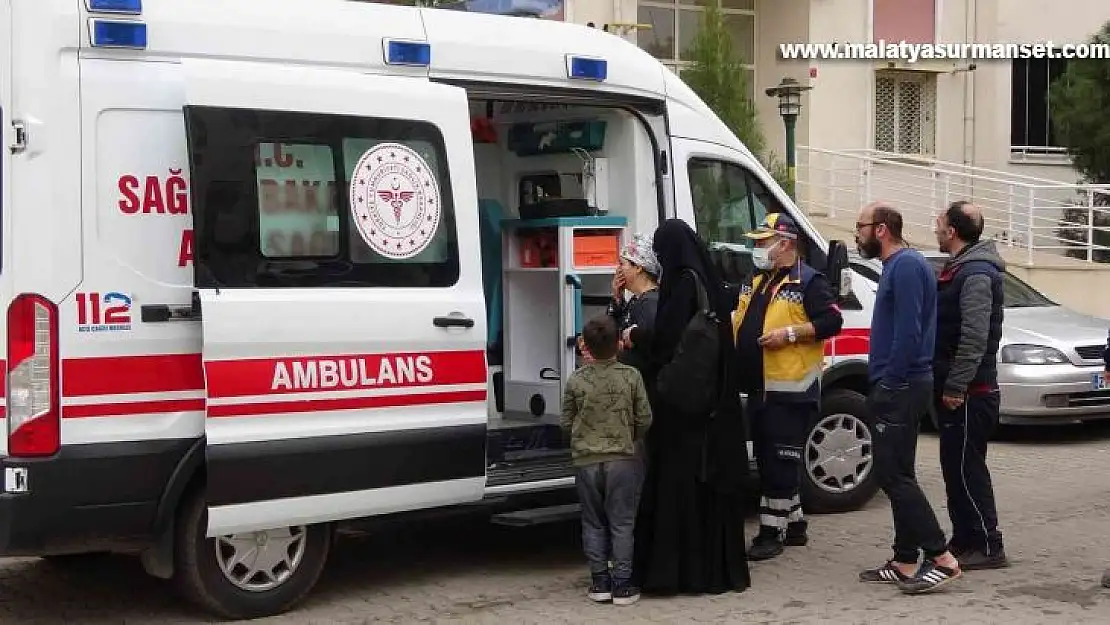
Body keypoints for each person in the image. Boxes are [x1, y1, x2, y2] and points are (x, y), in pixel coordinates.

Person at [632, 218, 751, 596]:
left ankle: (677, 571)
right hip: (711, 405)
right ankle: (711, 570)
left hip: (682, 409)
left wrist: (636, 334)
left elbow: (667, 340)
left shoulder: (681, 282)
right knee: (706, 488)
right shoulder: (706, 281)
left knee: (677, 486)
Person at [854, 203, 962, 594]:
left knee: (892, 474)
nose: (858, 234)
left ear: (881, 230)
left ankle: (941, 558)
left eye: (861, 227)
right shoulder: (896, 267)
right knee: (900, 472)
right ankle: (903, 559)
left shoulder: (908, 267)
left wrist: (890, 383)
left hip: (901, 386)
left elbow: (909, 332)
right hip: (900, 383)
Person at [733, 213, 843, 560]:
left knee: (777, 462)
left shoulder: (809, 281)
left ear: (786, 244)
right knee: (772, 456)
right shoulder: (758, 278)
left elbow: (832, 321)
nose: (757, 248)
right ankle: (794, 524)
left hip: (790, 390)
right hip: (759, 387)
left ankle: (770, 532)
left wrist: (790, 334)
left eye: (763, 242)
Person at [932, 201, 1009, 570]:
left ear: (952, 232)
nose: (935, 226)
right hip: (963, 390)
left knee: (967, 468)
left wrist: (956, 385)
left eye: (940, 222)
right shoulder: (962, 268)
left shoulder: (977, 272)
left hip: (971, 393)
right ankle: (964, 538)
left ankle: (988, 544)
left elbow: (975, 336)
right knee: (955, 467)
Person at [561, 315, 653, 606]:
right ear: (618, 344)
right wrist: (630, 437)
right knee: (622, 523)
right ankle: (623, 585)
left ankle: (599, 581)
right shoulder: (630, 376)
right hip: (623, 458)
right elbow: (645, 418)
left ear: (585, 345)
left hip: (587, 459)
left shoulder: (576, 379)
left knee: (593, 522)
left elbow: (565, 421)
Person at [608, 233, 661, 375]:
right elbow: (612, 330)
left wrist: (616, 353)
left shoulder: (650, 304)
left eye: (622, 264)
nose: (618, 270)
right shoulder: (636, 300)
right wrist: (617, 298)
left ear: (638, 267)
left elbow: (646, 355)